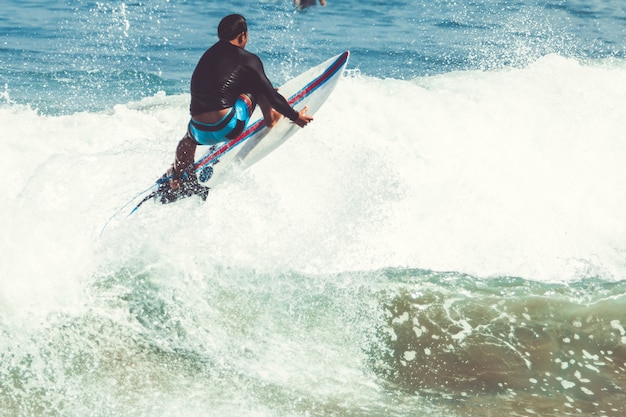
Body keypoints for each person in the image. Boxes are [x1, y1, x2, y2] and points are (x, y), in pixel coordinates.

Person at [169, 14, 313, 191]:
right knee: (257, 84)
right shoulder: (248, 59)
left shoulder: (208, 56)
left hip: (199, 132)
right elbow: (272, 96)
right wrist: (296, 116)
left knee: (187, 139)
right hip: (228, 127)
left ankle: (178, 177)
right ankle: (272, 118)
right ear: (242, 35)